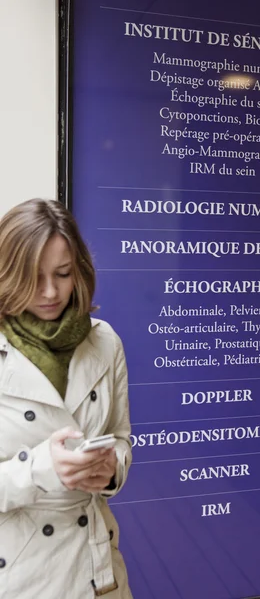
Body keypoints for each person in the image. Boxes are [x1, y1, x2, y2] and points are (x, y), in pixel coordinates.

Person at [0, 199, 133, 599]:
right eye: (32, 278)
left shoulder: (105, 341)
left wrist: (111, 470)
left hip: (97, 572)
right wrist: (40, 468)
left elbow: (122, 437)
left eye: (62, 274)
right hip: (21, 577)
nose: (49, 292)